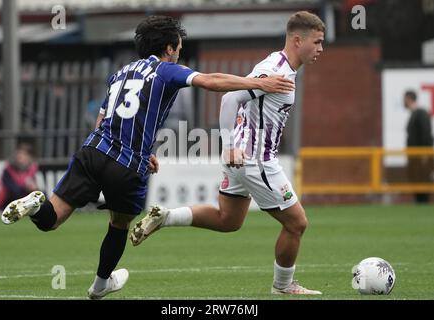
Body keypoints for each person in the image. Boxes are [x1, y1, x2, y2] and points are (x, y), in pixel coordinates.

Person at [0, 15, 294, 299]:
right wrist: (258, 83)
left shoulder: (119, 73)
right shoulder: (165, 70)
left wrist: (145, 150)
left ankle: (36, 204)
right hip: (126, 165)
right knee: (119, 223)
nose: (179, 55)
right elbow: (211, 81)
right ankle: (101, 285)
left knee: (50, 220)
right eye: (178, 49)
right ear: (168, 49)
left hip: (92, 152)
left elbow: (103, 122)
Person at [130, 11, 325, 295]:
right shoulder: (277, 70)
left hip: (242, 159)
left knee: (228, 220)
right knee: (296, 223)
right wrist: (230, 145)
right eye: (317, 42)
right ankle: (283, 286)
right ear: (298, 40)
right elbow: (231, 98)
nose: (321, 49)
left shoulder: (280, 66)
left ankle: (167, 217)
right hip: (255, 159)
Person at [403, 90, 434, 203]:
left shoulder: (421, 113)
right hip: (415, 158)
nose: (404, 102)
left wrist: (425, 154)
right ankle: (420, 203)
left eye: (405, 99)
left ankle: (423, 205)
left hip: (421, 157)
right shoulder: (414, 114)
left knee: (423, 184)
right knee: (417, 184)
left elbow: (426, 135)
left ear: (409, 99)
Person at [0, 142, 39, 210]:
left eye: (24, 154)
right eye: (19, 154)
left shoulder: (32, 169)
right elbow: (13, 190)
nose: (21, 156)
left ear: (29, 157)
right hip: (9, 203)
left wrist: (35, 189)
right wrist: (27, 188)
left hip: (25, 201)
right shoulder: (8, 170)